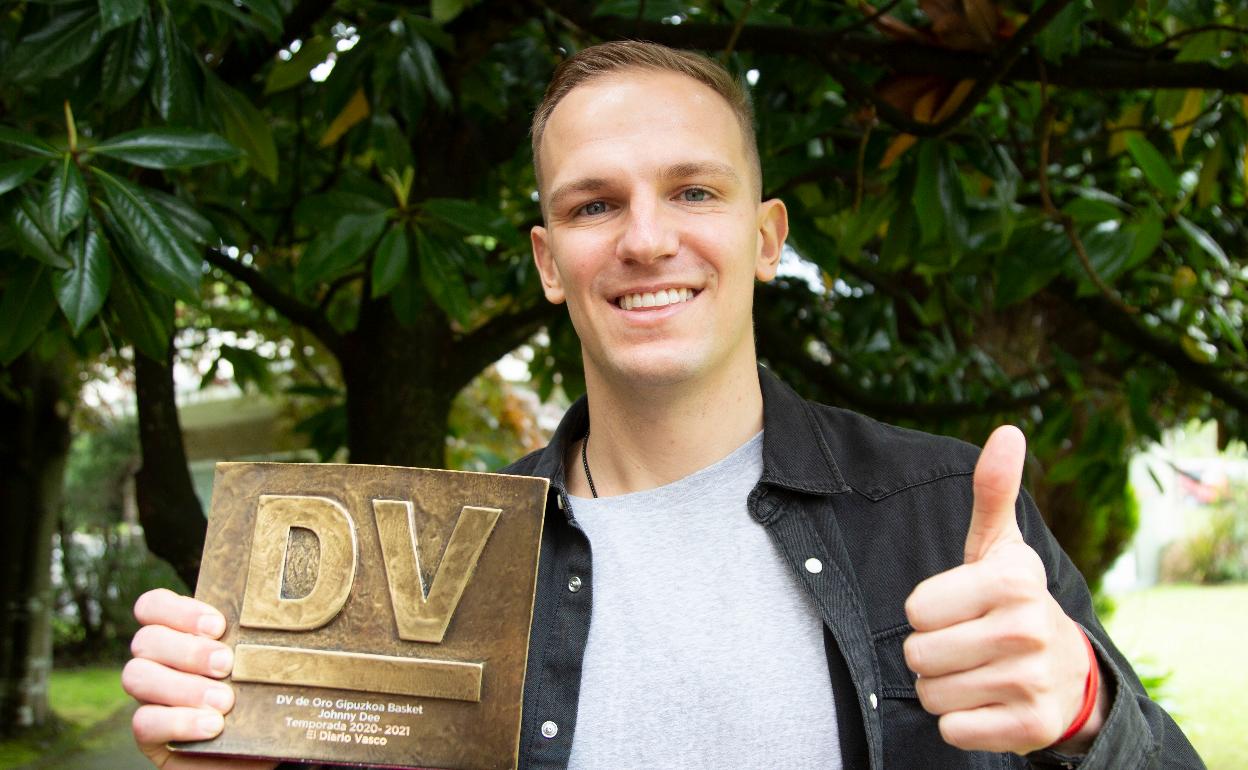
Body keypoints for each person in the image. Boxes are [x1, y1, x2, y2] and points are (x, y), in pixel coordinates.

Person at [123, 41, 1203, 769]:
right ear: (550, 262)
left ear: (768, 236)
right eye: (596, 204)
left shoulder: (942, 509)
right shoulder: (438, 564)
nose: (646, 238)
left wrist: (1085, 712)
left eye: (694, 189)